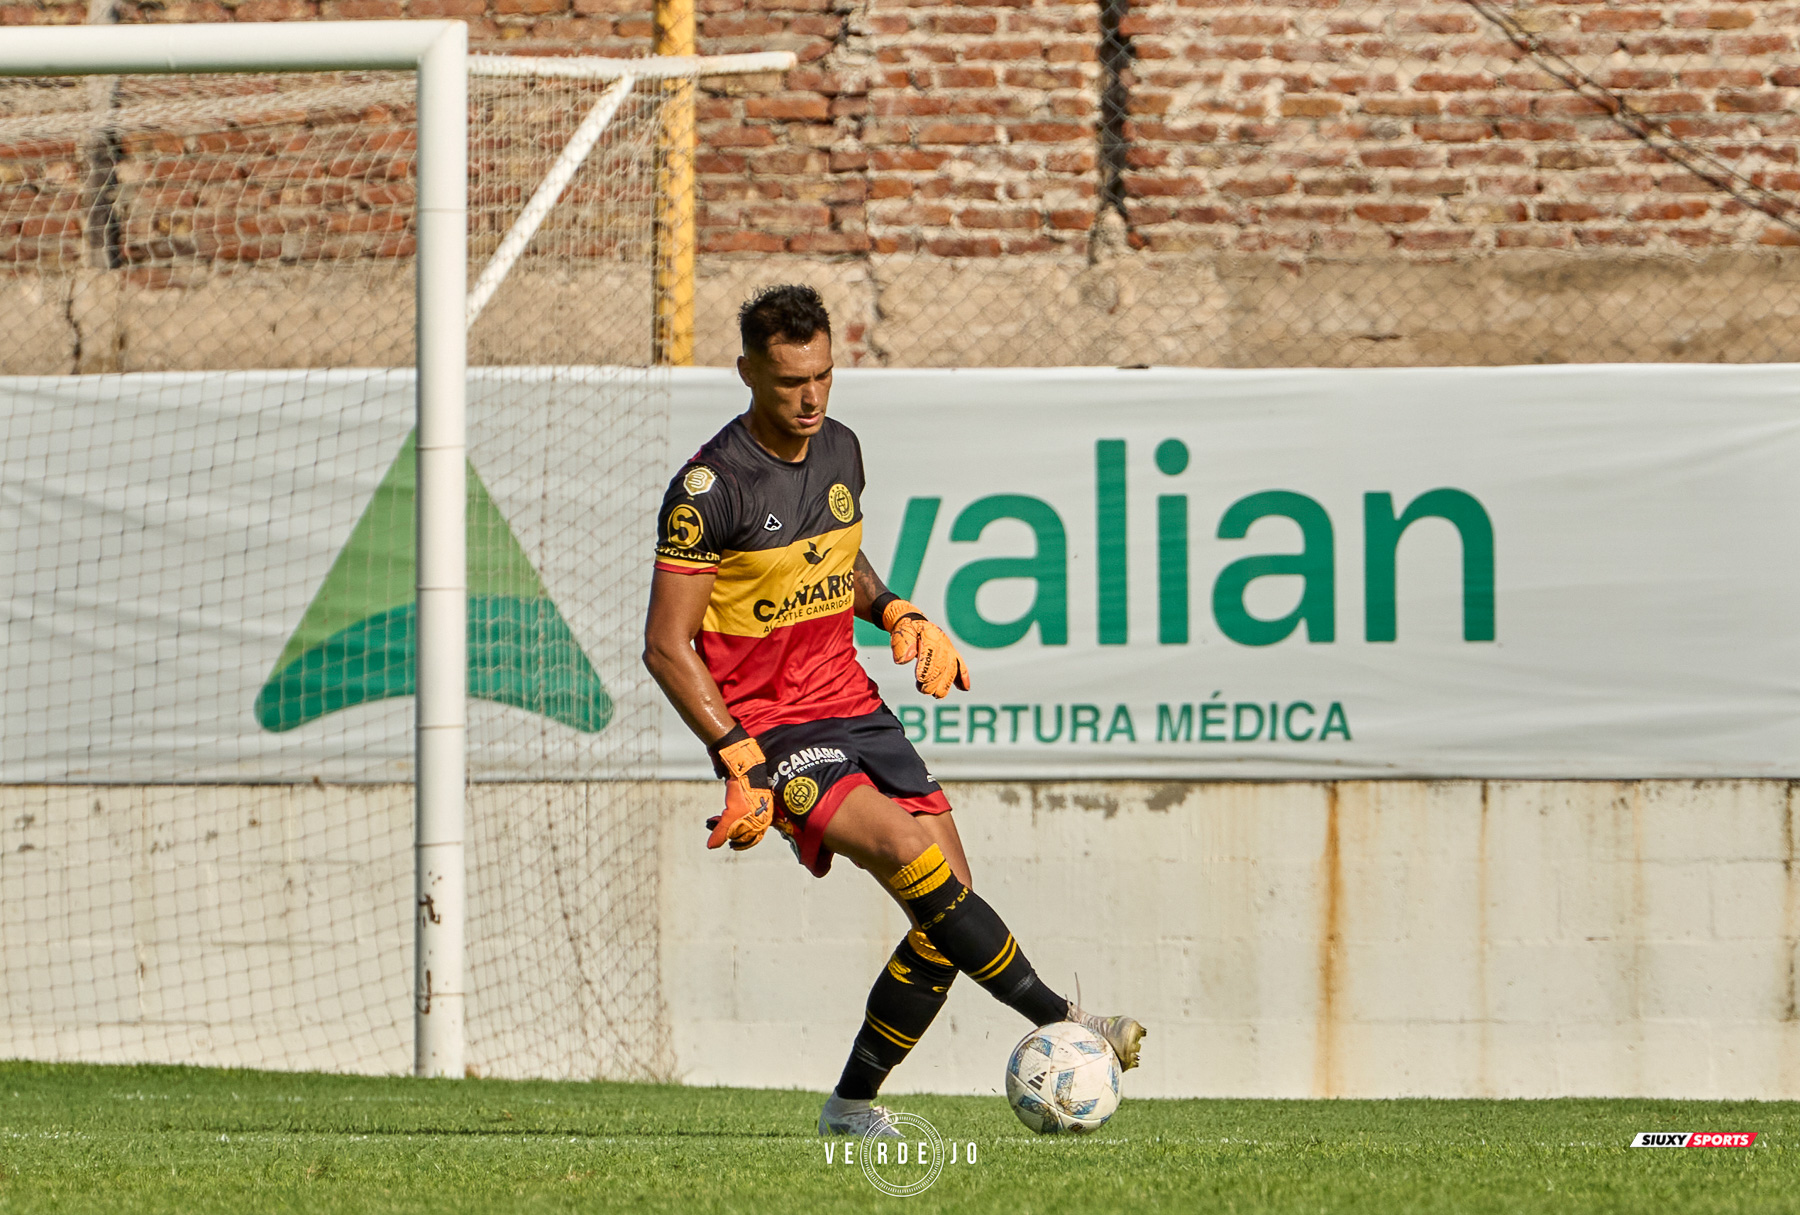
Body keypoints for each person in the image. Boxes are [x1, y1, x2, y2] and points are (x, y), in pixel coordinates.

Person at [642, 284, 1145, 1137]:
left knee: (951, 904)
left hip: (853, 701)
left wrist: (899, 611)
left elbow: (842, 559)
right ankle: (1065, 1020)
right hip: (776, 729)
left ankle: (849, 1105)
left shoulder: (841, 449)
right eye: (789, 381)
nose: (809, 399)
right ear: (747, 375)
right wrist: (738, 755)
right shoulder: (708, 489)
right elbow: (666, 645)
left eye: (824, 377)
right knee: (916, 855)